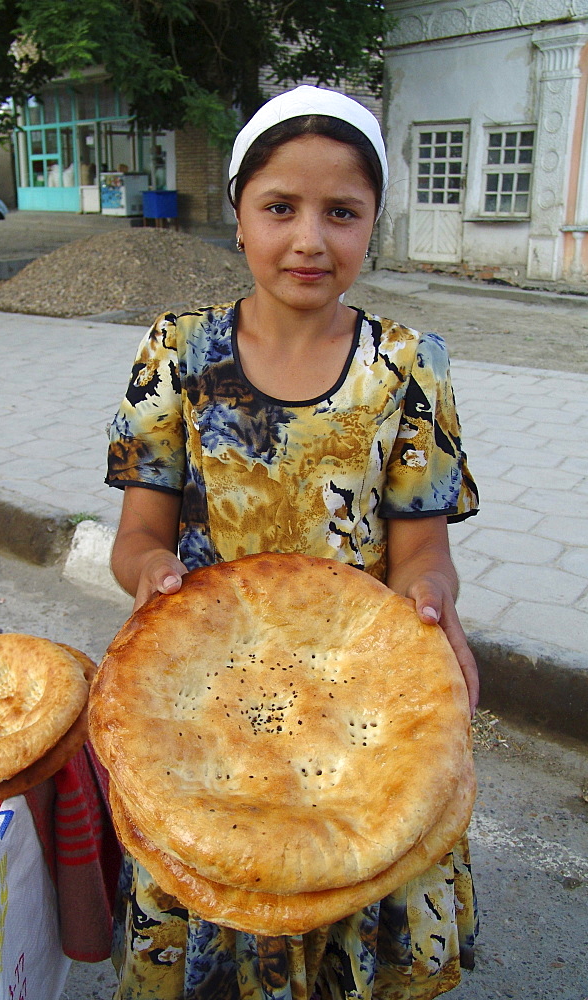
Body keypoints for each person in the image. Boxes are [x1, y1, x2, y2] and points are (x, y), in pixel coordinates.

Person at [104, 85, 479, 1000]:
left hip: (352, 710)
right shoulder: (179, 354)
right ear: (237, 217)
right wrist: (153, 571)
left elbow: (422, 548)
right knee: (218, 869)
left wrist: (431, 603)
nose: (309, 239)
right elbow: (138, 535)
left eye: (341, 213)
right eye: (280, 208)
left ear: (371, 226)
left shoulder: (405, 366)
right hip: (208, 702)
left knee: (355, 860)